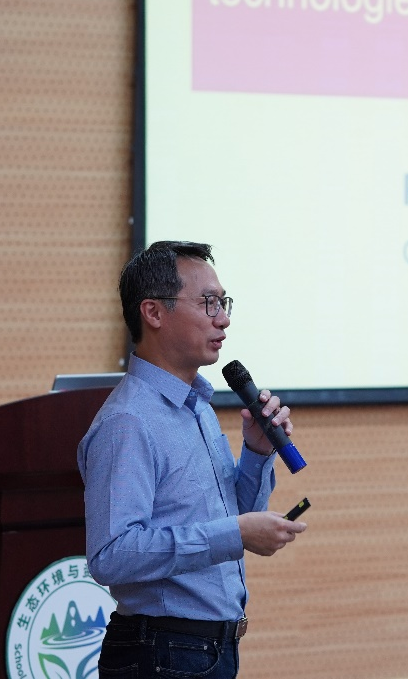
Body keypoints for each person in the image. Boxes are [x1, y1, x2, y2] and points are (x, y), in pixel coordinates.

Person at [78, 240, 306, 678]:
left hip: (209, 650)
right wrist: (234, 533)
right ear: (154, 312)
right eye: (208, 303)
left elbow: (234, 520)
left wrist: (258, 452)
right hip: (161, 652)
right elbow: (111, 555)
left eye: (224, 302)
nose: (223, 318)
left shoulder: (197, 407)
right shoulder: (128, 421)